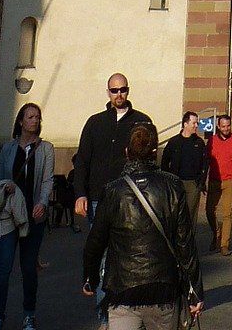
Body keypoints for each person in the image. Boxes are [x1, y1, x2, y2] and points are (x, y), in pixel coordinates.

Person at [81, 122, 203, 330]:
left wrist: (90, 278)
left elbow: (96, 242)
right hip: (163, 287)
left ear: (126, 152)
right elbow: (184, 242)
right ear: (155, 152)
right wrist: (194, 289)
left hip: (123, 287)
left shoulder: (113, 191)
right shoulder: (172, 185)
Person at [77, 76, 154, 321]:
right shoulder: (95, 123)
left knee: (127, 255)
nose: (118, 94)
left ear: (128, 91)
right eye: (114, 90)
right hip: (99, 199)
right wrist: (80, 194)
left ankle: (129, 310)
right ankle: (105, 315)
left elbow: (151, 160)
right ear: (108, 92)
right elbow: (83, 161)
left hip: (130, 200)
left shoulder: (142, 121)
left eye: (122, 90)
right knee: (100, 257)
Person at [0, 100, 54, 330]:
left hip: (32, 215)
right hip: (9, 214)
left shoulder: (46, 149)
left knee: (28, 268)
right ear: (20, 121)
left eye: (37, 117)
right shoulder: (7, 148)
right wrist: (5, 186)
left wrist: (42, 203)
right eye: (30, 117)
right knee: (3, 267)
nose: (34, 121)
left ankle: (29, 314)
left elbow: (47, 180)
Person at [205, 113, 232, 257]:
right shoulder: (211, 141)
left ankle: (224, 244)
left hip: (230, 181)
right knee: (209, 210)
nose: (226, 128)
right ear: (218, 126)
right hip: (214, 180)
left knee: (227, 214)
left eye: (228, 126)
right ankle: (216, 234)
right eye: (223, 126)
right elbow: (206, 160)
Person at [161, 111, 208, 226]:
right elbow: (165, 162)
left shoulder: (199, 143)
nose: (197, 126)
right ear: (185, 124)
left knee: (190, 216)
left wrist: (201, 181)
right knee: (175, 213)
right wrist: (168, 180)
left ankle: (189, 241)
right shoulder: (174, 142)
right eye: (194, 123)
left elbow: (205, 163)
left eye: (197, 123)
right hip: (176, 183)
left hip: (193, 184)